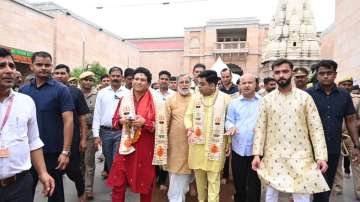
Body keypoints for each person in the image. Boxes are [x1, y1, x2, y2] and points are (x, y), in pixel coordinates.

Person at [252, 59, 329, 202]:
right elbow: (261, 128)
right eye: (277, 72)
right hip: (273, 155)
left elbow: (316, 128)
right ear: (273, 75)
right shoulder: (267, 100)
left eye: (285, 71)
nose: (281, 75)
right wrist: (257, 154)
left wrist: (321, 157)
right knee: (271, 195)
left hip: (300, 156)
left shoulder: (305, 98)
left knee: (301, 194)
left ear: (292, 73)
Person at [0, 48, 55, 202]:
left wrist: (43, 173)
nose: (9, 70)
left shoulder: (25, 102)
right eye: (1, 66)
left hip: (19, 186)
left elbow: (33, 141)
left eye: (11, 66)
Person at [107, 67, 168, 202]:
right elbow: (114, 121)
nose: (139, 82)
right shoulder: (124, 99)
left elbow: (163, 126)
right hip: (125, 147)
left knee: (145, 184)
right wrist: (122, 121)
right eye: (136, 79)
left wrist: (145, 123)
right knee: (118, 183)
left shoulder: (157, 101)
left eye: (143, 80)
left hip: (145, 148)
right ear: (131, 81)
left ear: (148, 83)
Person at [20, 51, 74, 202]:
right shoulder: (24, 90)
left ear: (51, 66)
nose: (43, 68)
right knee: (25, 192)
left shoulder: (61, 90)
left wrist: (65, 151)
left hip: (53, 151)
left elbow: (68, 121)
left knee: (54, 192)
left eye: (47, 65)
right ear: (32, 66)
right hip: (28, 151)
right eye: (39, 64)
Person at [306, 60, 360, 202]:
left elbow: (350, 120)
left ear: (335, 75)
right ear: (316, 76)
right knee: (310, 187)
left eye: (329, 73)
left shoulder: (344, 95)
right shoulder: (307, 94)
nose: (325, 76)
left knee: (326, 186)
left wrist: (356, 145)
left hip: (333, 149)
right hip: (309, 150)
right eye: (321, 73)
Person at [184, 70, 231, 202]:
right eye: (198, 83)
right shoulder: (195, 97)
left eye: (202, 84)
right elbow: (188, 116)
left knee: (214, 180)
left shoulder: (225, 99)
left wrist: (229, 143)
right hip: (197, 146)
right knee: (200, 181)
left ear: (212, 85)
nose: (198, 86)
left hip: (216, 146)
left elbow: (230, 122)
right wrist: (189, 128)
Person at [53, 64, 90, 202]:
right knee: (55, 171)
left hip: (72, 138)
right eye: (56, 73)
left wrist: (83, 139)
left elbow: (82, 118)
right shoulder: (48, 91)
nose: (59, 76)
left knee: (73, 170)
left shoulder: (75, 92)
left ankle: (81, 191)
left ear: (68, 75)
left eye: (63, 73)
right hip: (52, 139)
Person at [225, 73, 261, 202]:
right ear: (239, 85)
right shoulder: (234, 103)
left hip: (256, 151)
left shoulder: (263, 102)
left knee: (254, 185)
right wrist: (231, 127)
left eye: (250, 82)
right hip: (238, 149)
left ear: (255, 84)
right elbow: (228, 121)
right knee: (239, 183)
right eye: (243, 83)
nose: (246, 85)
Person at [93, 66, 128, 173]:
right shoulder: (102, 93)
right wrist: (96, 135)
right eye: (113, 76)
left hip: (121, 131)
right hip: (105, 132)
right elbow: (97, 114)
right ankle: (115, 178)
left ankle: (117, 184)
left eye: (118, 76)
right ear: (109, 77)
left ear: (122, 77)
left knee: (116, 159)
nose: (115, 78)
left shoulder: (128, 93)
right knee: (108, 158)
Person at [165, 74, 193, 202]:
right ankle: (175, 199)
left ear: (191, 83)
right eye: (181, 82)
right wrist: (163, 142)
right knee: (176, 173)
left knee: (189, 173)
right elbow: (165, 122)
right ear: (176, 84)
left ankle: (181, 194)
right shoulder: (170, 100)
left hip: (193, 143)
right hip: (175, 144)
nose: (184, 84)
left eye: (187, 82)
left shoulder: (197, 98)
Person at [333, 77, 360, 198]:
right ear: (339, 85)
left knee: (357, 164)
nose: (347, 87)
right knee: (336, 165)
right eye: (344, 84)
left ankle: (359, 191)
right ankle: (337, 190)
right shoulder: (333, 98)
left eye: (349, 84)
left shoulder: (357, 100)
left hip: (351, 137)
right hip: (335, 136)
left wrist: (352, 127)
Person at [79, 71, 98, 200]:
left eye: (90, 80)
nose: (88, 82)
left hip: (91, 132)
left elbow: (99, 115)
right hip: (77, 132)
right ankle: (80, 187)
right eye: (85, 80)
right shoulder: (74, 94)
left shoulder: (98, 95)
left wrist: (97, 135)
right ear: (80, 81)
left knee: (89, 162)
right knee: (78, 163)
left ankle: (88, 189)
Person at [218, 68, 238, 184]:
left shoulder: (237, 89)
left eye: (227, 76)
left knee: (235, 151)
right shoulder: (219, 90)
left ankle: (235, 175)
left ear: (231, 76)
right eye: (223, 77)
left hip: (235, 124)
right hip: (222, 124)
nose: (225, 79)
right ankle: (225, 175)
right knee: (225, 150)